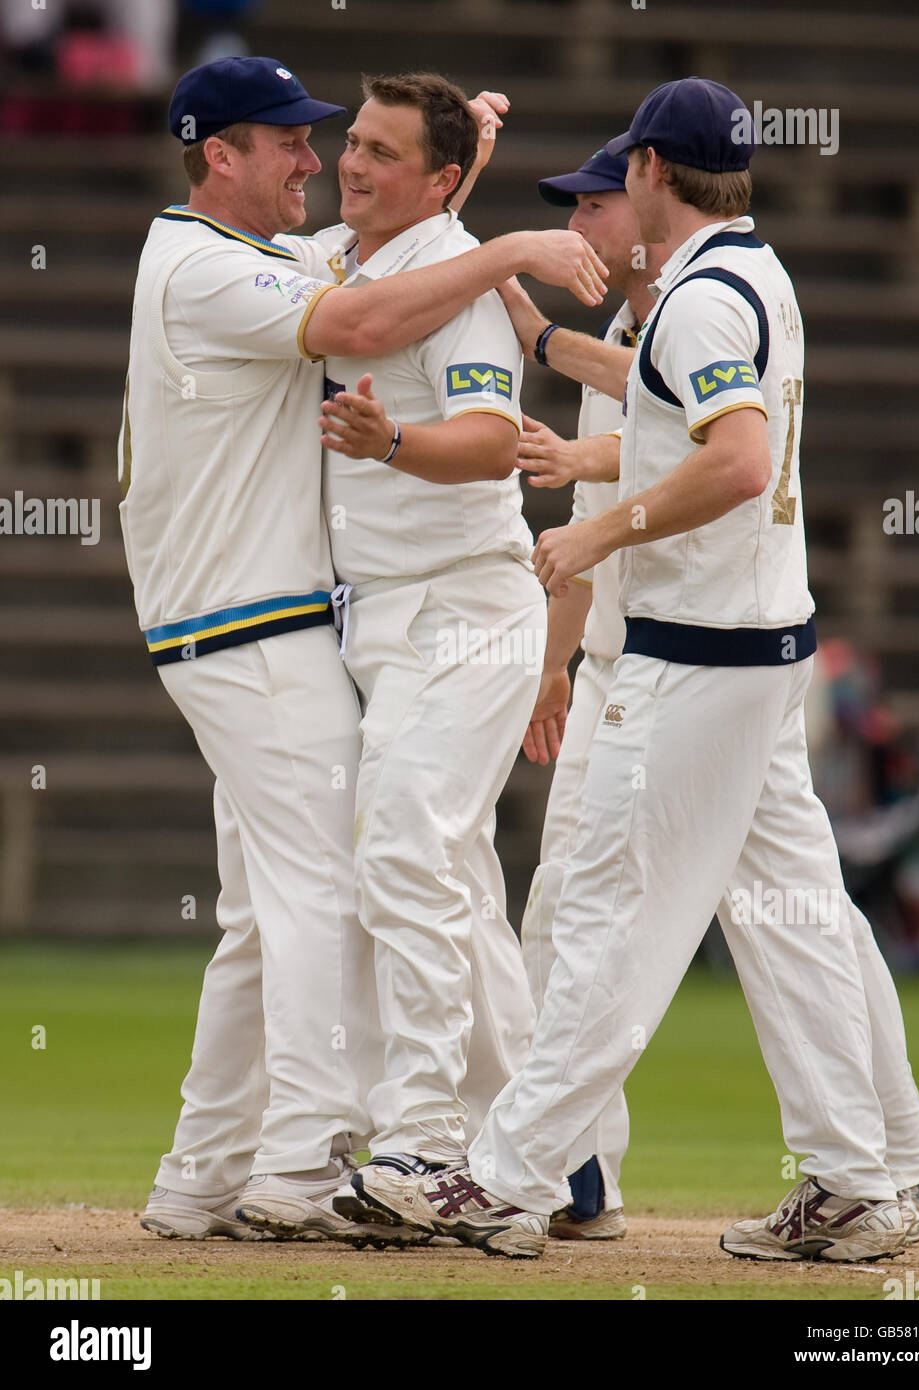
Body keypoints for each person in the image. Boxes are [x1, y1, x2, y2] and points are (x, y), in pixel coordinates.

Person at [343, 77, 919, 1261]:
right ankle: (861, 1175)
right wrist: (534, 328)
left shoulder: (700, 299)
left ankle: (507, 1182)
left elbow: (732, 461)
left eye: (626, 173)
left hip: (692, 661)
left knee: (607, 923)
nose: (614, 191)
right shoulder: (748, 276)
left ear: (656, 174)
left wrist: (597, 526)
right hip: (761, 652)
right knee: (795, 922)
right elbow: (671, 410)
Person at [125, 55, 606, 1242]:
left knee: (335, 885)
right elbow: (359, 310)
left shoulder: (296, 254)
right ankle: (320, 1169)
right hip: (261, 622)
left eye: (350, 143)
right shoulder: (213, 265)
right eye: (295, 140)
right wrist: (500, 246)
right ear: (217, 154)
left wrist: (464, 194)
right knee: (358, 881)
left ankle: (221, 1173)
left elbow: (414, 296)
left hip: (388, 613)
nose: (324, 157)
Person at [312, 73, 549, 1211]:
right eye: (350, 142)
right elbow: (413, 232)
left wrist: (392, 439)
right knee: (447, 873)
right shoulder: (344, 256)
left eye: (381, 154)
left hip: (471, 608)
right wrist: (466, 154)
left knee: (405, 842)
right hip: (384, 619)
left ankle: (422, 1143)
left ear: (440, 181)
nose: (351, 165)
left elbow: (493, 440)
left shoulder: (458, 294)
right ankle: (557, 1153)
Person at [516, 146, 665, 1241]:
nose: (580, 224)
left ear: (651, 198)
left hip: (685, 674)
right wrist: (555, 663)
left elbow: (669, 423)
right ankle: (578, 1176)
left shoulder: (704, 308)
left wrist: (529, 326)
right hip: (624, 663)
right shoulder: (618, 335)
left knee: (575, 919)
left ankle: (563, 1172)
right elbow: (580, 543)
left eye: (593, 203)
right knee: (563, 917)